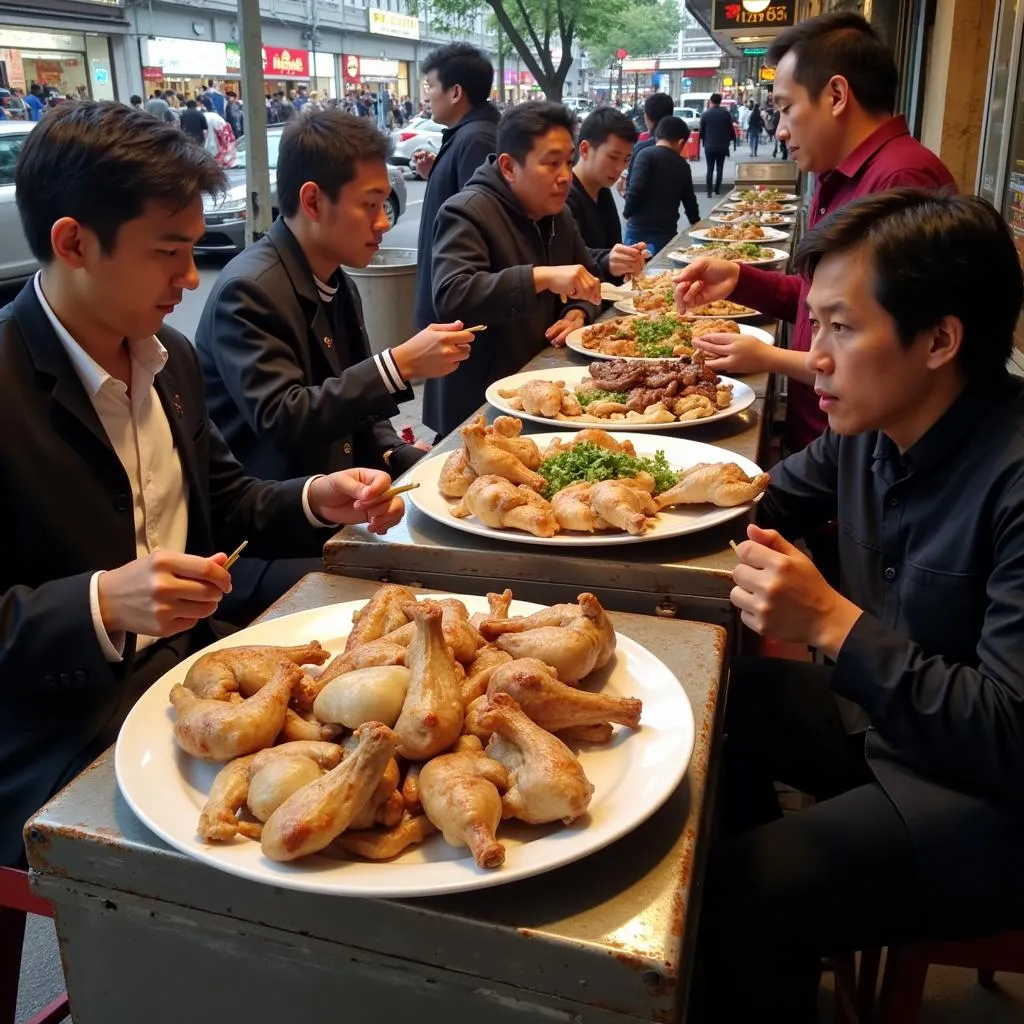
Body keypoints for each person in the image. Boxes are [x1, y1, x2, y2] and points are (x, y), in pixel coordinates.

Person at [0, 101, 405, 867]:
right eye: (169, 252)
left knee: (380, 763)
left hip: (196, 676)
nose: (191, 278)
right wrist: (98, 603)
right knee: (290, 851)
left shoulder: (166, 360)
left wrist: (316, 497)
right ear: (73, 242)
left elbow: (228, 503)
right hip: (60, 728)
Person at [696, 188, 1024, 1019]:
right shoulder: (875, 424)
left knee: (746, 893)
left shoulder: (1014, 475)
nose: (816, 358)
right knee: (718, 710)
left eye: (842, 328)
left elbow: (1008, 735)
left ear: (940, 339)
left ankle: (764, 930)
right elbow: (755, 502)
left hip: (990, 800)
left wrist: (836, 626)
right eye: (818, 326)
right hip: (892, 726)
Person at [196, 110, 474, 610]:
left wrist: (414, 465)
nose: (384, 222)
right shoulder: (250, 290)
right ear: (312, 200)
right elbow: (285, 417)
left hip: (332, 517)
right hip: (268, 543)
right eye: (370, 206)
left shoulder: (335, 279)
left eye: (385, 204)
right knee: (427, 596)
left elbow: (361, 416)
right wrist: (398, 366)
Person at [675, 12, 956, 458]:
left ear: (837, 95)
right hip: (825, 445)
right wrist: (740, 279)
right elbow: (828, 302)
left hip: (860, 457)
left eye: (786, 107)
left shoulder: (901, 180)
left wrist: (771, 359)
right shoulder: (839, 176)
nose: (781, 128)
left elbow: (897, 355)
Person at [426, 101, 601, 437]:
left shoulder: (558, 214)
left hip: (543, 391)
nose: (565, 176)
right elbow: (453, 295)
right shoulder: (467, 211)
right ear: (508, 166)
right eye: (551, 163)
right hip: (480, 406)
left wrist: (578, 313)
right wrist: (541, 276)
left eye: (568, 161)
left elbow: (589, 280)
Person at [413, 43, 501, 332]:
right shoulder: (469, 134)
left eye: (430, 86)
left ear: (455, 92)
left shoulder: (476, 139)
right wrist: (435, 175)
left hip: (458, 314)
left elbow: (476, 221)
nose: (427, 95)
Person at [565, 106, 647, 283]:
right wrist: (609, 259)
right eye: (613, 157)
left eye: (626, 159)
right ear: (585, 149)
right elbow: (569, 256)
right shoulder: (564, 196)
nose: (620, 168)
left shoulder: (603, 191)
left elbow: (612, 247)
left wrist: (627, 258)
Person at [623, 116, 700, 255]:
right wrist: (697, 224)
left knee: (632, 272)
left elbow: (635, 189)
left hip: (637, 232)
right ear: (681, 142)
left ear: (657, 136)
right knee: (660, 272)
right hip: (665, 235)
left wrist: (627, 212)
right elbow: (690, 202)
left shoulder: (644, 155)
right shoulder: (682, 165)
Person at [617, 91, 673, 196]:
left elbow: (630, 187)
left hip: (641, 210)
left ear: (647, 117)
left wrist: (624, 194)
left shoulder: (641, 148)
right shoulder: (677, 146)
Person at [698, 92, 733, 198]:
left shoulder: (705, 114)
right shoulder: (725, 114)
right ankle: (717, 189)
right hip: (722, 146)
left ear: (711, 102)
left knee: (710, 168)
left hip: (709, 146)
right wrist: (729, 140)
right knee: (720, 168)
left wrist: (704, 141)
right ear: (720, 101)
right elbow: (730, 130)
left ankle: (709, 191)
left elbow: (701, 131)